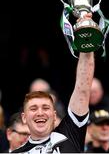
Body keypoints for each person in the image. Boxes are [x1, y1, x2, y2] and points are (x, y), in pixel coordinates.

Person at [12, 13, 95, 153]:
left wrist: (86, 37)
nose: (40, 113)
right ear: (24, 118)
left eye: (45, 108)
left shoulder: (68, 133)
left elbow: (83, 88)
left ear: (55, 115)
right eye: (33, 108)